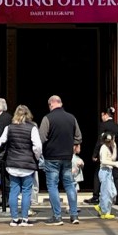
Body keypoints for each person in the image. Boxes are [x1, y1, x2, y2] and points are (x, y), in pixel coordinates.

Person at [38, 95, 83, 225]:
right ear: (61, 103)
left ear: (50, 104)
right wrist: (72, 145)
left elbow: (41, 138)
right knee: (70, 185)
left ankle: (57, 216)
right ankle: (74, 215)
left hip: (51, 157)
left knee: (53, 185)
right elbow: (78, 137)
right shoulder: (71, 118)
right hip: (67, 157)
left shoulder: (47, 118)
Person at [0, 104, 42, 226]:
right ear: (28, 115)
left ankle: (14, 219)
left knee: (14, 191)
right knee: (27, 191)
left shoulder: (9, 128)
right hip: (27, 165)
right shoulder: (32, 128)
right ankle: (25, 219)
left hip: (12, 164)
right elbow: (38, 147)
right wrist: (35, 158)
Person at [87, 107, 118, 205]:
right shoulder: (117, 126)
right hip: (115, 152)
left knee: (98, 174)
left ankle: (96, 196)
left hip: (105, 153)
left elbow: (99, 141)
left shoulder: (103, 126)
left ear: (105, 114)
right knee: (116, 176)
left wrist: (95, 154)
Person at [96, 131, 118, 219]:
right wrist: (115, 164)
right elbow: (103, 161)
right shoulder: (103, 148)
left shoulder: (108, 147)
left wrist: (114, 147)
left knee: (112, 192)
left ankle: (101, 206)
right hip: (104, 171)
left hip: (109, 171)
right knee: (106, 192)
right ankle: (105, 211)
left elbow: (113, 158)